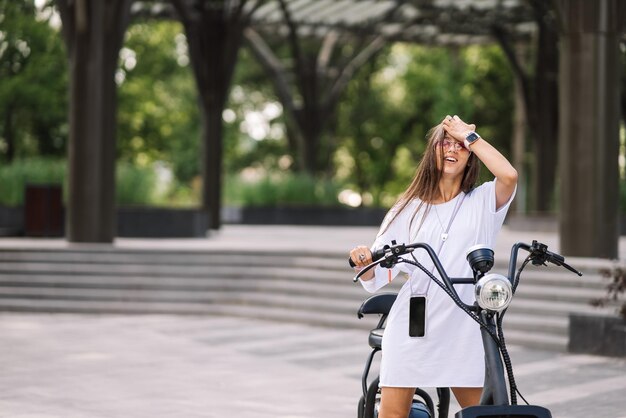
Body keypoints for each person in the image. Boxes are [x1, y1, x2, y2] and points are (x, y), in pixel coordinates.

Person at [349, 115, 517, 418]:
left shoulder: (482, 202)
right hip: (414, 321)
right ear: (433, 151)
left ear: (470, 155)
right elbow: (378, 271)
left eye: (460, 146)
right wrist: (365, 259)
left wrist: (469, 135)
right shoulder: (408, 208)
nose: (453, 150)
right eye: (445, 142)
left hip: (465, 320)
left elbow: (509, 176)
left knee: (484, 413)